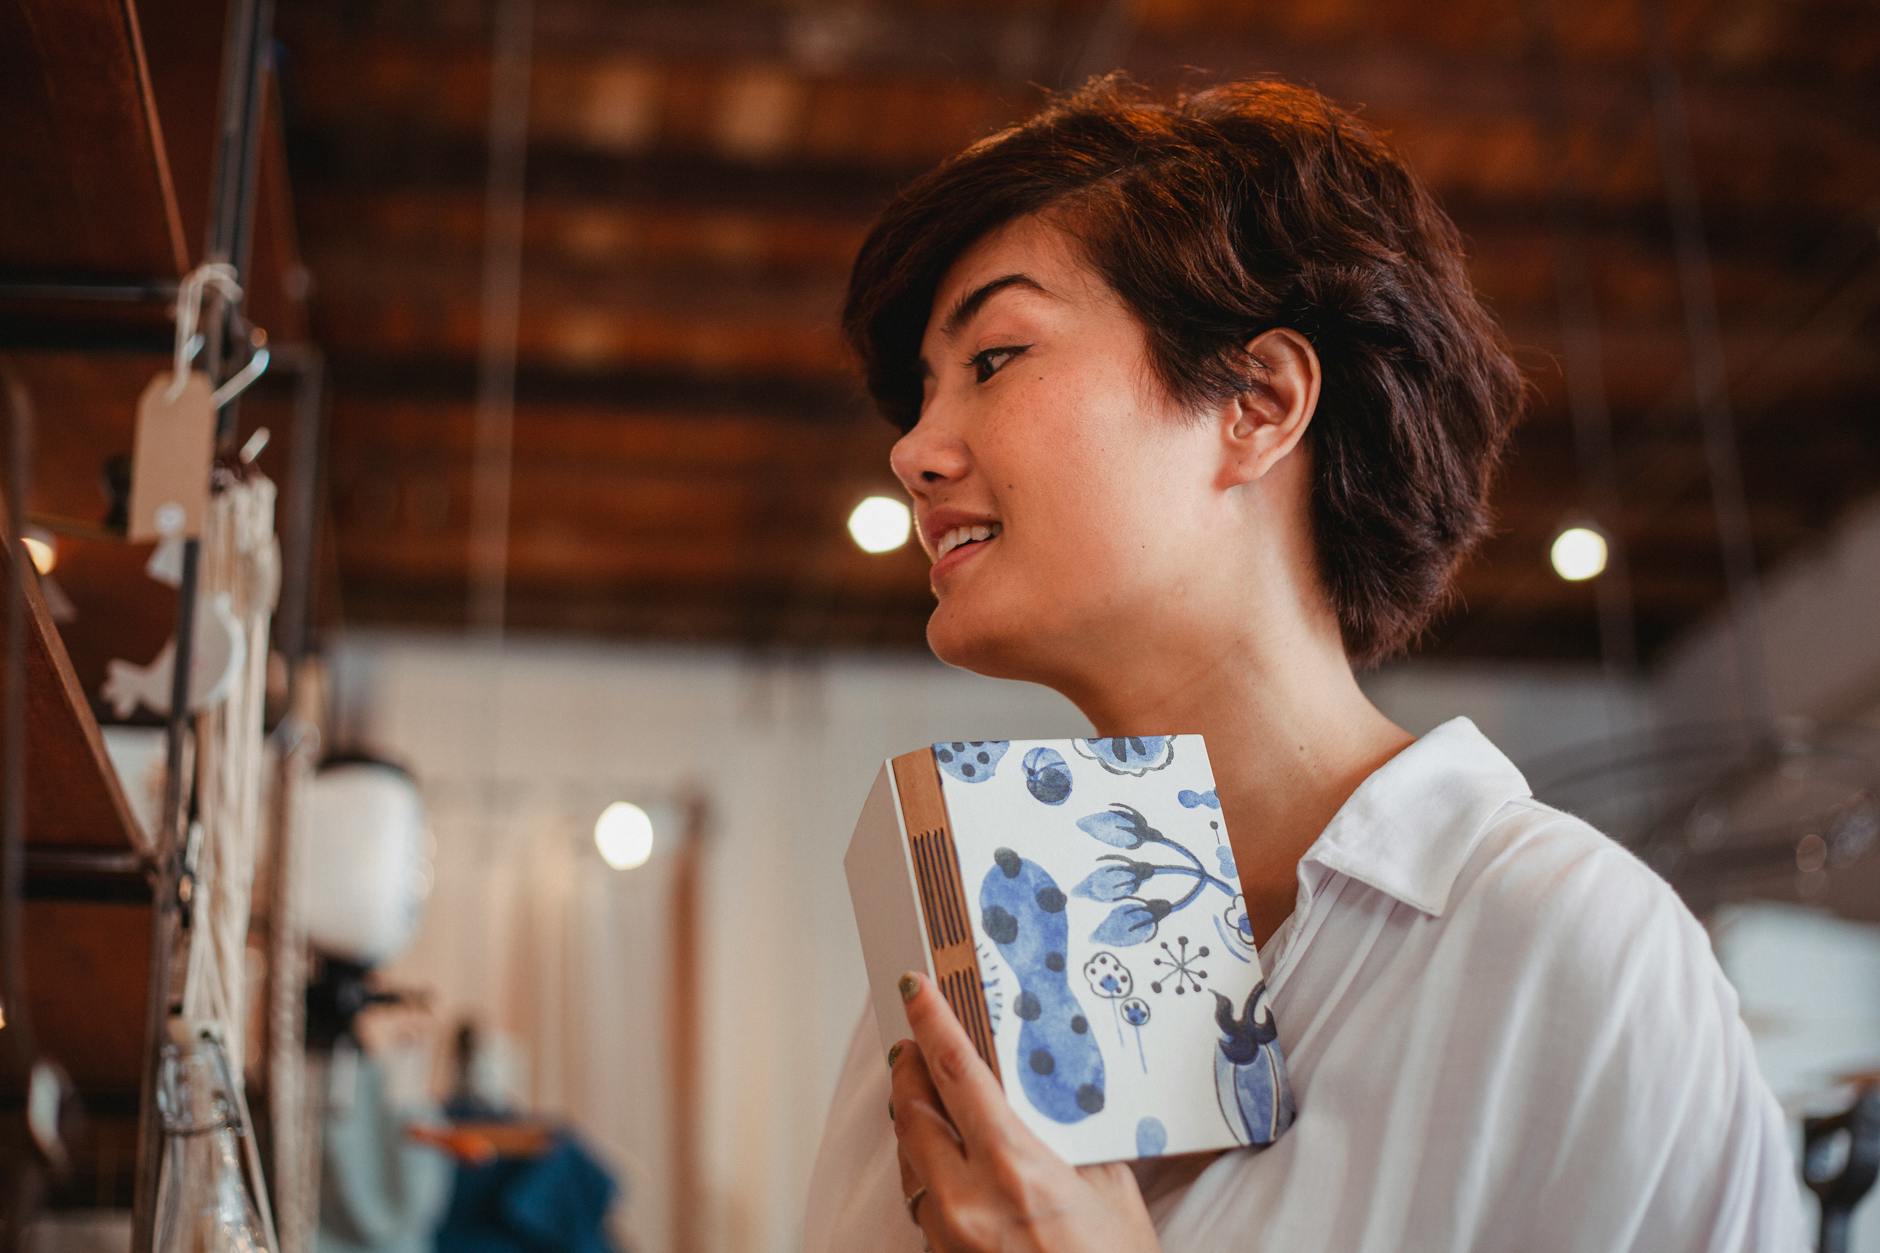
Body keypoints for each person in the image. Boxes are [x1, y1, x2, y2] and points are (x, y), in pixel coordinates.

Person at [801, 73, 1808, 1251]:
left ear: (1257, 400)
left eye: (993, 356)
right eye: (921, 391)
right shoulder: (961, 952)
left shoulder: (1558, 947)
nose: (912, 448)